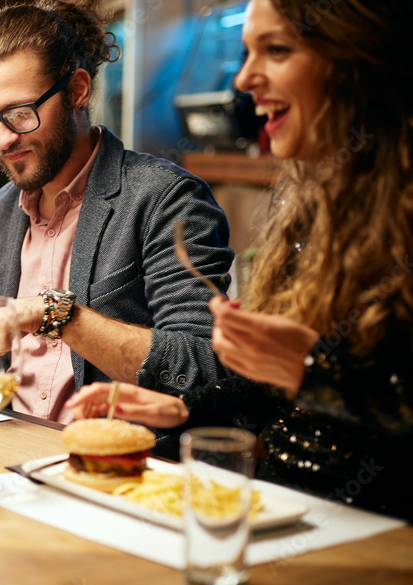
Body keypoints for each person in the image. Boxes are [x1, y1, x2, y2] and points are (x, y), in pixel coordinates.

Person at [68, 0, 413, 520]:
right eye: (248, 51)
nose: (245, 79)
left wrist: (314, 369)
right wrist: (188, 409)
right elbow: (284, 403)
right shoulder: (310, 207)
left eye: (276, 50)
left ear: (358, 60)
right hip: (288, 521)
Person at [0, 0, 233, 437]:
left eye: (20, 114)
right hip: (1, 453)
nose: (0, 140)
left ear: (77, 91)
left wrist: (55, 314)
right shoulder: (4, 210)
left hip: (109, 469)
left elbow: (205, 370)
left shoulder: (164, 198)